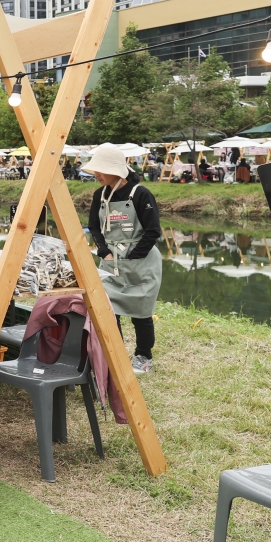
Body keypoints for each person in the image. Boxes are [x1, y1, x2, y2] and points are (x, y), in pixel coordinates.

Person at [82, 143, 162, 375]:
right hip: (111, 261)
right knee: (109, 310)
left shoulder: (141, 194)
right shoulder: (100, 195)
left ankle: (143, 356)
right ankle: (113, 353)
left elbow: (153, 231)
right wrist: (103, 250)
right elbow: (94, 227)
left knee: (141, 313)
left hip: (141, 262)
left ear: (116, 170)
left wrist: (134, 256)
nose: (96, 174)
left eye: (101, 170)